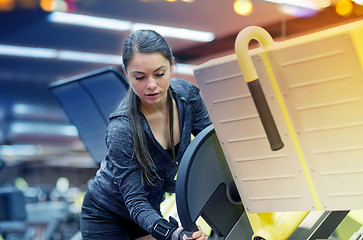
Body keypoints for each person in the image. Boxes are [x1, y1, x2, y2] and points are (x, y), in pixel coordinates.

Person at [80, 29, 211, 240]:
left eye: (159, 74)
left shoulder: (188, 98)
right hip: (105, 213)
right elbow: (134, 200)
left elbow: (213, 146)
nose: (151, 85)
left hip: (147, 210)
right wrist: (174, 235)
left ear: (171, 65)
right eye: (139, 77)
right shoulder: (122, 129)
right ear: (126, 74)